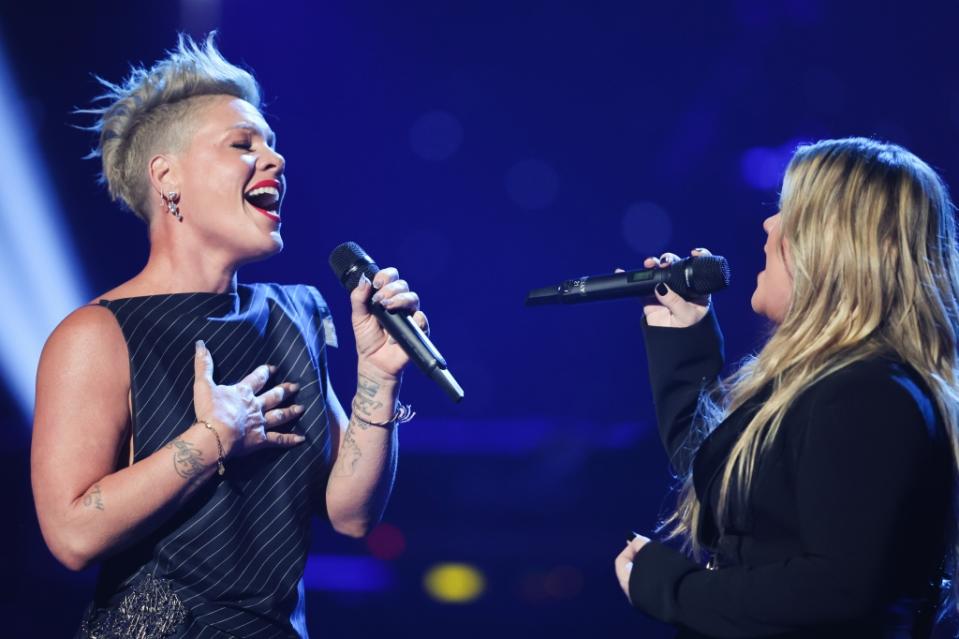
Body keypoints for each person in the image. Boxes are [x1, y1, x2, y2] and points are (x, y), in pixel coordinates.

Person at [30, 34, 430, 638]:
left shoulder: (292, 314)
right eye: (242, 144)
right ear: (167, 177)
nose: (275, 160)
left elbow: (350, 515)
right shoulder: (97, 333)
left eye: (271, 144)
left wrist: (377, 375)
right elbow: (71, 535)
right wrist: (213, 438)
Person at [614, 138, 959, 637]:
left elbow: (837, 586)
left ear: (837, 247)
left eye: (789, 212)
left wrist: (676, 589)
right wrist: (685, 341)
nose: (769, 226)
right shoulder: (834, 384)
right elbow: (730, 481)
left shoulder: (870, 393)